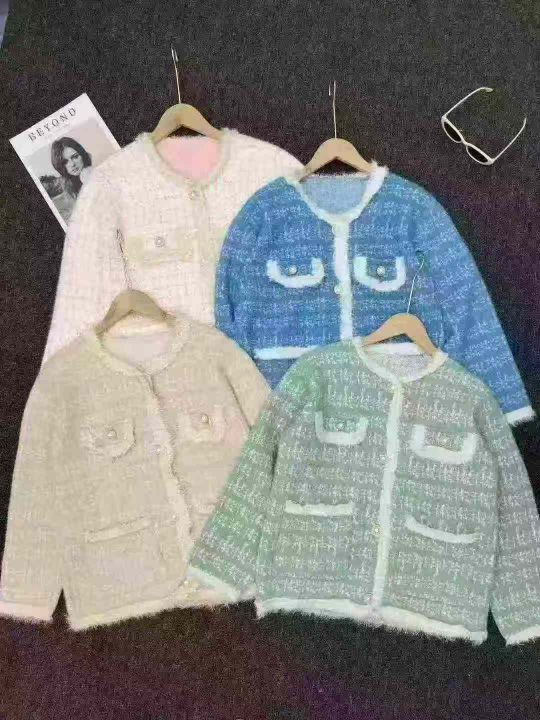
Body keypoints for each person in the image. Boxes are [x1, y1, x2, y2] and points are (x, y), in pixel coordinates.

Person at [50, 137, 92, 224]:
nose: (72, 164)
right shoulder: (68, 187)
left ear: (82, 155)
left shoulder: (92, 174)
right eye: (65, 162)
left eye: (75, 157)